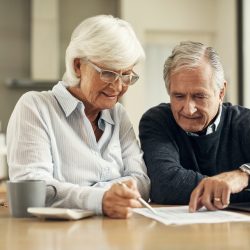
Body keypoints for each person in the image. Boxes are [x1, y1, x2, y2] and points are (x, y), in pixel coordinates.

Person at [7, 15, 150, 218]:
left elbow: (141, 181)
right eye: (108, 73)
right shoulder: (35, 107)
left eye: (126, 76)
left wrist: (95, 194)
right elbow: (34, 190)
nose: (118, 87)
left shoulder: (118, 114)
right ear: (77, 66)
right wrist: (101, 199)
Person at [139, 41, 250, 212]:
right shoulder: (157, 121)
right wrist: (228, 190)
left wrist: (242, 176)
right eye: (179, 96)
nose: (189, 110)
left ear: (221, 92)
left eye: (199, 96)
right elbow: (165, 185)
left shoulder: (245, 122)